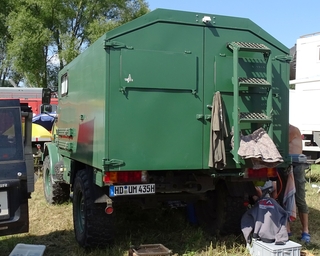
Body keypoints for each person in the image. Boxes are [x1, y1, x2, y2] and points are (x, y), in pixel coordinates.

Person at [288, 124, 310, 243]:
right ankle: (287, 228)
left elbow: (281, 143)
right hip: (286, 164)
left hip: (297, 165)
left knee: (300, 198)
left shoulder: (292, 130)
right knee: (284, 197)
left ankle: (305, 230)